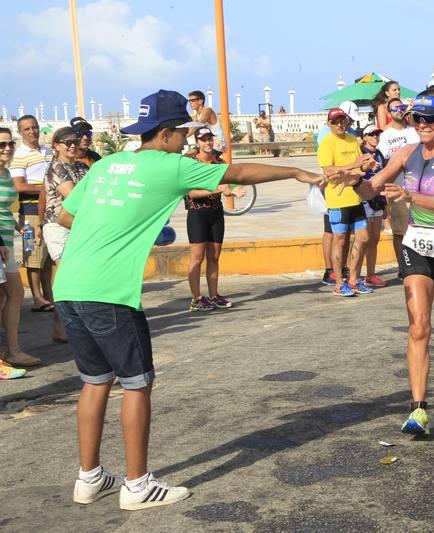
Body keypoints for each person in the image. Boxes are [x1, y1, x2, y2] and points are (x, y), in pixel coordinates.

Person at [54, 89, 323, 510]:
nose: (185, 140)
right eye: (182, 132)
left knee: (94, 381)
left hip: (69, 285)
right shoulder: (170, 165)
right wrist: (294, 171)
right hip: (109, 292)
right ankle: (137, 485)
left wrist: (122, 224)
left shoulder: (105, 165)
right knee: (136, 384)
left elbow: (65, 215)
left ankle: (89, 479)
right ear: (164, 134)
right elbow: (237, 173)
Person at [330, 88, 434, 435]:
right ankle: (418, 409)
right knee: (418, 326)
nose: (422, 125)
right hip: (417, 245)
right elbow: (372, 189)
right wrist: (356, 181)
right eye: (416, 118)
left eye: (429, 119)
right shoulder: (406, 153)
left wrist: (410, 195)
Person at [185, 127, 244, 311]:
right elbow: (192, 193)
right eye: (203, 139)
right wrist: (217, 189)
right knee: (197, 257)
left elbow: (226, 186)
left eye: (209, 138)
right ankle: (196, 299)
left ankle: (213, 295)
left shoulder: (219, 162)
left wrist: (232, 191)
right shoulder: (191, 163)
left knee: (214, 256)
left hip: (216, 213)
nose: (207, 142)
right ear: (197, 142)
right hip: (197, 214)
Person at [317, 107, 374, 297]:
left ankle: (354, 279)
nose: (340, 124)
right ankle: (339, 283)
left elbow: (360, 167)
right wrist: (354, 165)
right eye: (335, 121)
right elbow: (328, 171)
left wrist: (367, 165)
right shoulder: (327, 143)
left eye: (343, 120)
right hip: (337, 200)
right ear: (329, 124)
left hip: (355, 197)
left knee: (363, 238)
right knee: (340, 241)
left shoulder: (352, 139)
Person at [40, 127, 90, 343]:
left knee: (77, 275)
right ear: (56, 145)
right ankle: (61, 326)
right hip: (58, 226)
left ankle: (69, 324)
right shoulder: (56, 167)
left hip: (79, 224)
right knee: (65, 275)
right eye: (67, 142)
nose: (72, 145)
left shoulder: (82, 166)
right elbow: (74, 196)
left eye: (75, 141)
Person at [10, 115, 54, 312]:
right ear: (20, 132)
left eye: (34, 127)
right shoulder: (18, 155)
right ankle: (37, 298)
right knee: (33, 255)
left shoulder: (48, 151)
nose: (32, 131)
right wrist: (48, 189)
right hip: (30, 213)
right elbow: (19, 186)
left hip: (50, 210)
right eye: (27, 129)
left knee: (47, 257)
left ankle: (48, 296)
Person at [0, 127, 33, 376]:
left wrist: (18, 225)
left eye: (10, 144)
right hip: (0, 243)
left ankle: (12, 350)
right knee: (7, 294)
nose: (7, 148)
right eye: (1, 145)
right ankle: (9, 352)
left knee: (14, 293)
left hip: (7, 240)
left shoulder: (6, 172)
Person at [377, 98, 420, 269]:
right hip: (397, 189)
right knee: (399, 231)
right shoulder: (386, 136)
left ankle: (419, 264)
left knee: (417, 228)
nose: (399, 110)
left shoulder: (414, 131)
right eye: (395, 108)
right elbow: (383, 163)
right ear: (389, 113)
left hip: (417, 188)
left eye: (401, 107)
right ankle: (403, 266)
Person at [359, 125, 388, 287]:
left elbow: (384, 178)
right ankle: (355, 274)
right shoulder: (360, 153)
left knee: (374, 239)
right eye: (371, 134)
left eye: (377, 134)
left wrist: (386, 203)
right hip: (364, 200)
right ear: (365, 137)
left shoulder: (380, 154)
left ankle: (371, 274)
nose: (375, 137)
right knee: (362, 239)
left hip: (378, 199)